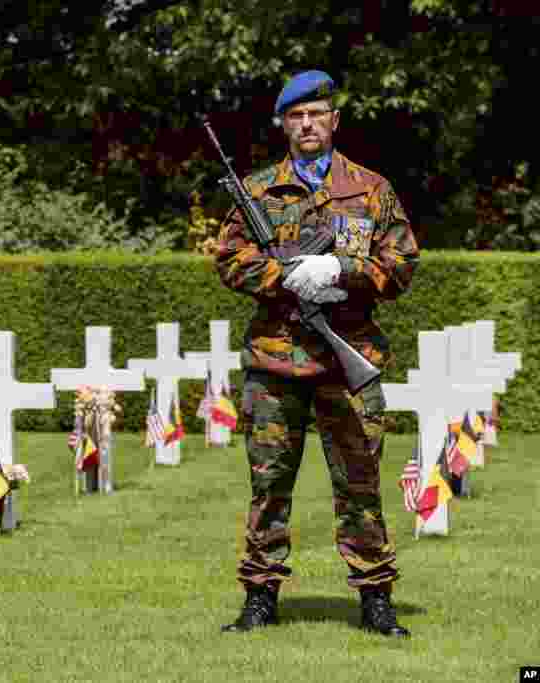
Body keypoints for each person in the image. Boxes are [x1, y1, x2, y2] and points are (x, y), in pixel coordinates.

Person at [215, 70, 419, 637]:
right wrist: (285, 277)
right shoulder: (256, 190)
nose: (306, 124)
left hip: (345, 361)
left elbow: (402, 265)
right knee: (269, 486)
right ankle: (260, 598)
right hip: (275, 365)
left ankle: (376, 599)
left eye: (316, 114)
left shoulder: (372, 190)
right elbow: (229, 258)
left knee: (360, 485)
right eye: (295, 116)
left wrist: (341, 271)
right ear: (284, 124)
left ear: (334, 120)